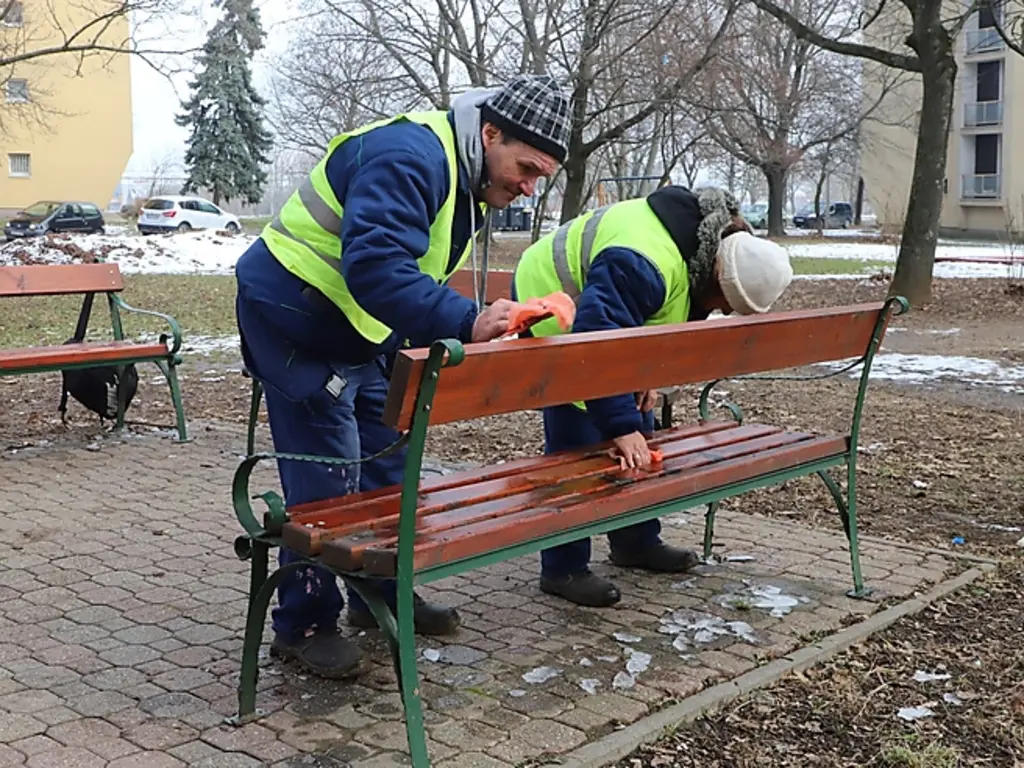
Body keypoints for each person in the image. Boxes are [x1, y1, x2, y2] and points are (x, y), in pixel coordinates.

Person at [234, 74, 572, 678]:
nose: (527, 187)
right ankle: (303, 624)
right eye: (525, 168)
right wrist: (467, 321)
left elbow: (406, 271)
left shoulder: (470, 176)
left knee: (390, 454)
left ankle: (380, 593)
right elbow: (378, 267)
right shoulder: (409, 156)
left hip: (360, 327)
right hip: (293, 320)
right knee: (327, 473)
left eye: (539, 177)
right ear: (490, 133)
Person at [512, 185, 793, 607]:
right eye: (723, 303)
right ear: (717, 274)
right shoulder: (645, 260)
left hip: (600, 323)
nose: (719, 311)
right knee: (576, 451)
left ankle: (635, 541)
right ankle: (563, 567)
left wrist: (648, 375)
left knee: (641, 438)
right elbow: (595, 340)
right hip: (555, 311)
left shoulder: (693, 249)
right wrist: (620, 425)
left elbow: (646, 322)